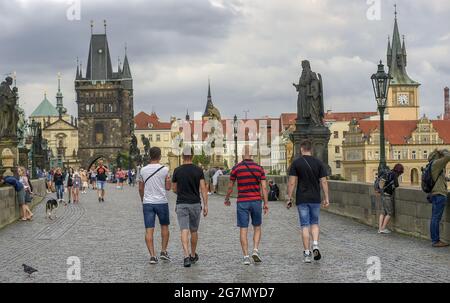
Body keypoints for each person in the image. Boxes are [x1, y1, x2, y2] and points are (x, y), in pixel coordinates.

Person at [224, 145, 269, 265]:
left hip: (242, 201)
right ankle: (255, 250)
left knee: (243, 229)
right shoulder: (259, 168)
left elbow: (230, 186)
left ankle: (246, 257)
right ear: (252, 155)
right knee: (257, 227)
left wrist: (227, 198)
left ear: (242, 155)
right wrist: (266, 203)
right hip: (256, 201)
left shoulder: (236, 168)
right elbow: (264, 187)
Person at [287, 140, 330, 263]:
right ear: (311, 149)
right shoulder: (319, 163)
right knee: (315, 223)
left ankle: (307, 253)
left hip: (302, 198)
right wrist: (326, 197)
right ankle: (315, 244)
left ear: (301, 149)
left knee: (304, 225)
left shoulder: (296, 163)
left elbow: (292, 182)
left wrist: (289, 198)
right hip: (315, 198)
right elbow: (324, 182)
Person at [172, 146, 208, 268]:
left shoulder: (177, 170)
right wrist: (206, 205)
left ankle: (186, 256)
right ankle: (193, 254)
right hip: (195, 204)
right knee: (194, 231)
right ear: (192, 156)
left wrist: (182, 193)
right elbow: (203, 188)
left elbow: (174, 189)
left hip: (182, 203)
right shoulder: (198, 170)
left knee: (184, 230)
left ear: (182, 156)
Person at [139, 147, 172, 264]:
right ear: (159, 156)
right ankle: (163, 251)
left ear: (149, 156)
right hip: (161, 202)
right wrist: (167, 181)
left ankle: (152, 256)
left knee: (149, 230)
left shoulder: (143, 170)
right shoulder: (165, 169)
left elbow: (140, 188)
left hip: (148, 203)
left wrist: (143, 199)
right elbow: (168, 187)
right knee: (164, 227)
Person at [428, 149, 450, 247]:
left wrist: (447, 179)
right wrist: (443, 150)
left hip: (434, 194)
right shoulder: (436, 163)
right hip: (439, 194)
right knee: (436, 218)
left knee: (434, 218)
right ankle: (435, 241)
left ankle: (434, 239)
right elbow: (448, 156)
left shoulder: (431, 164)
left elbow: (438, 177)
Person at [378, 164, 404, 234]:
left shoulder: (389, 172)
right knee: (389, 213)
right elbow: (396, 185)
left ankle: (380, 228)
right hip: (388, 195)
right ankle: (383, 228)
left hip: (383, 194)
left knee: (382, 212)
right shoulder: (394, 174)